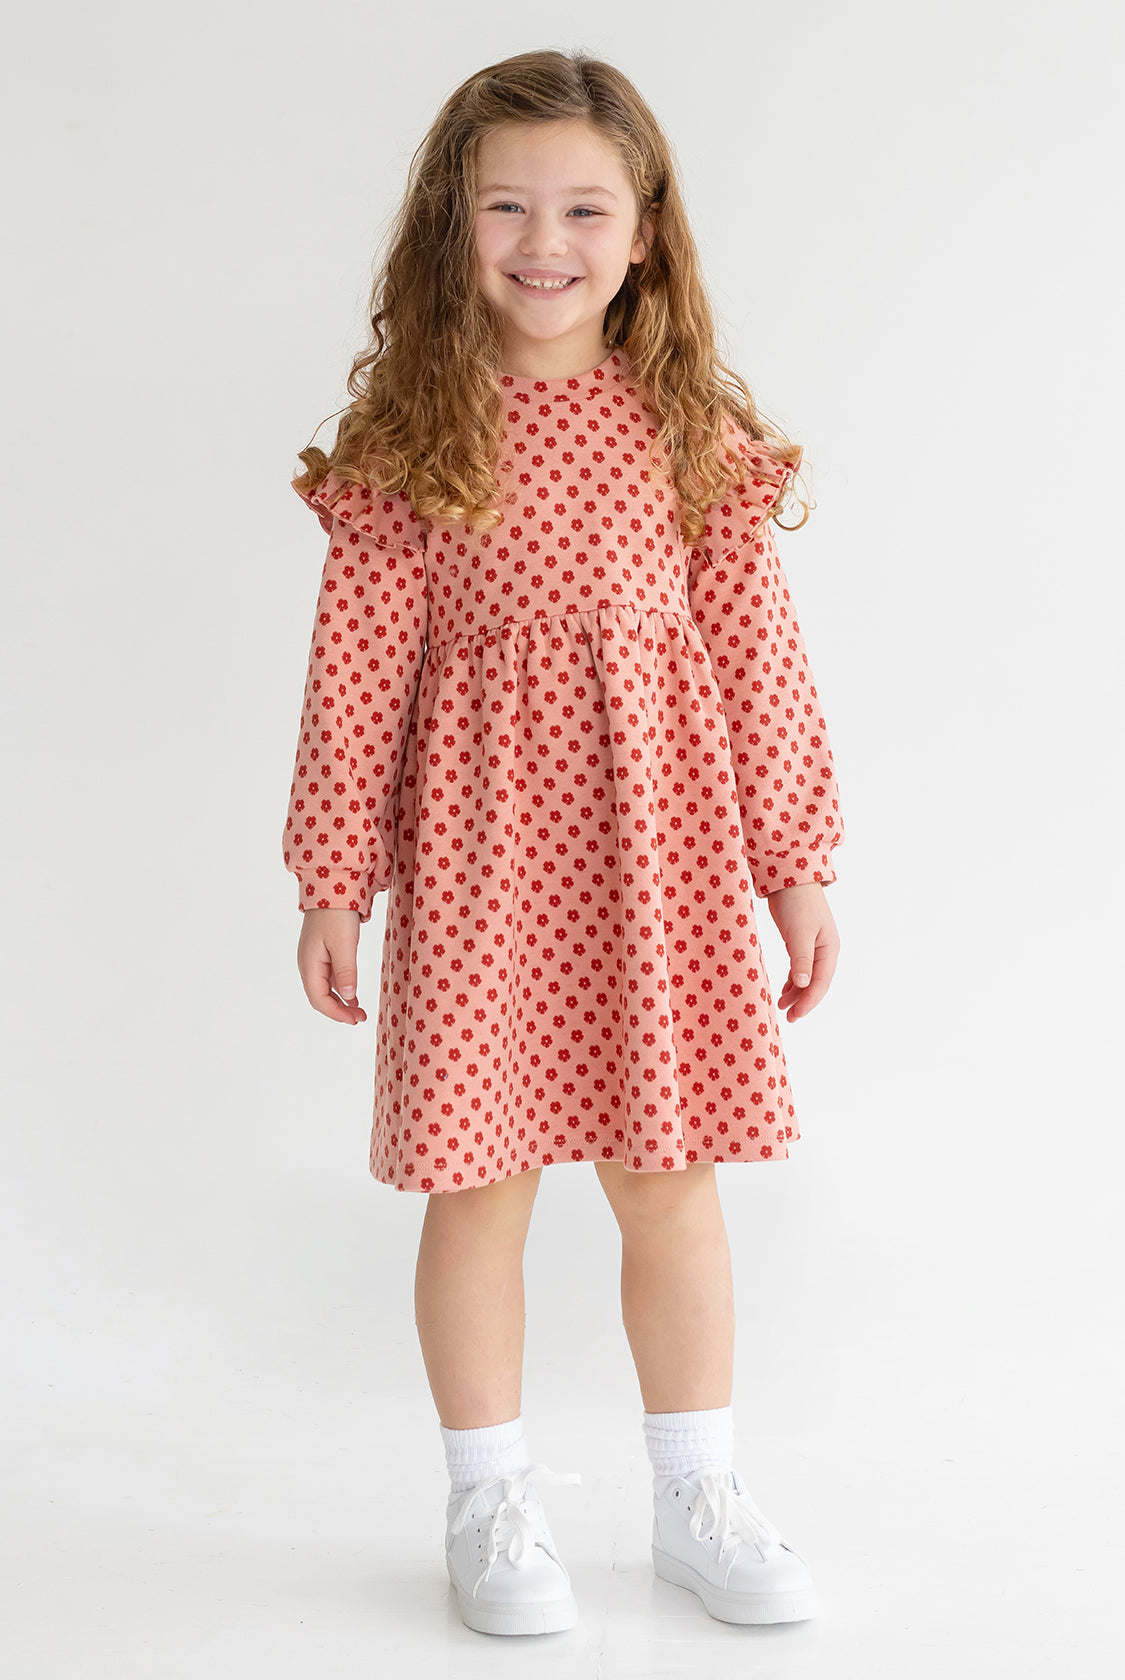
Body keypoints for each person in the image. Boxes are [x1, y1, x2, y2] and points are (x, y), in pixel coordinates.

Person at [281, 47, 845, 1640]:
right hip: (476, 874)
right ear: (448, 226)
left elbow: (756, 662)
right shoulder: (412, 442)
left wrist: (794, 863)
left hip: (654, 871)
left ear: (646, 229)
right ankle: (489, 1498)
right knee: (482, 1191)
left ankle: (694, 1491)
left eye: (585, 205)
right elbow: (354, 681)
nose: (546, 239)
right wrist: (334, 881)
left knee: (670, 1183)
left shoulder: (689, 437)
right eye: (506, 205)